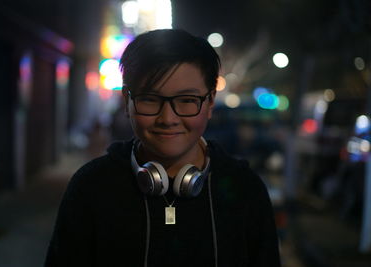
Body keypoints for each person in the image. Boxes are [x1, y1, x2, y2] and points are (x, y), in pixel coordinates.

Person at [45, 29, 281, 267]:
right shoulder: (91, 186)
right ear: (127, 101)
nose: (168, 118)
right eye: (150, 99)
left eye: (187, 100)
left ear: (209, 103)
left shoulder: (245, 189)